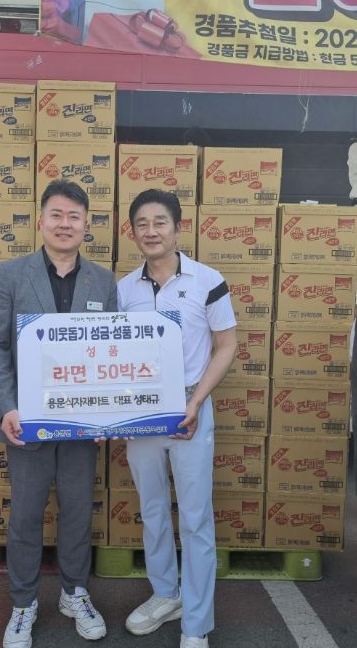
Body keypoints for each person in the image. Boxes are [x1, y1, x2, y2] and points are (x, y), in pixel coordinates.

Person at [0, 179, 117, 648]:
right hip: (28, 422)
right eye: (56, 215)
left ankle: (75, 594)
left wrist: (107, 414)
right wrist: (8, 406)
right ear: (41, 221)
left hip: (81, 425)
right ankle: (23, 603)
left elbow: (112, 354)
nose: (65, 224)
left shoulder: (103, 281)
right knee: (25, 515)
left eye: (74, 217)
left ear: (86, 226)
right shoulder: (11, 274)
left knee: (77, 512)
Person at [117, 189, 237, 648]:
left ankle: (197, 623)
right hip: (142, 413)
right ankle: (166, 595)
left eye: (160, 222)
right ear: (133, 232)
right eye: (142, 224)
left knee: (195, 517)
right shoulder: (124, 289)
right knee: (152, 510)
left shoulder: (208, 281)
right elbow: (112, 355)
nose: (151, 231)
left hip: (190, 408)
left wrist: (197, 401)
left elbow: (226, 345)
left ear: (178, 228)